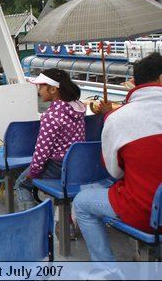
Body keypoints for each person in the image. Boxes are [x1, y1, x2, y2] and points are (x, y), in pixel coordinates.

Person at [73, 51, 162, 262]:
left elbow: (115, 171)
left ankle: (107, 271)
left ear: (134, 82)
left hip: (146, 212)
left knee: (81, 203)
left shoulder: (117, 119)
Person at [15, 68, 86, 211]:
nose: (38, 91)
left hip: (57, 166)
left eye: (41, 86)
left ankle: (32, 219)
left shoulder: (51, 115)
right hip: (76, 165)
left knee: (21, 184)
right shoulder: (77, 109)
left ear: (53, 89)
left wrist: (34, 173)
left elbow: (42, 152)